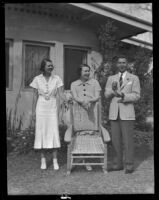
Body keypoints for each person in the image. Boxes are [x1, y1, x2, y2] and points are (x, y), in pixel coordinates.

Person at [105, 56, 140, 174]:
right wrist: (113, 91)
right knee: (115, 140)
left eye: (124, 62)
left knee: (128, 140)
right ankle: (117, 164)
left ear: (127, 64)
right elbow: (106, 94)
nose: (121, 64)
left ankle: (129, 165)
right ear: (116, 64)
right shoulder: (111, 78)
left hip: (127, 112)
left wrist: (124, 96)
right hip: (114, 113)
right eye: (119, 62)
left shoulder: (134, 78)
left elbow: (136, 95)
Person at [30, 58, 66, 170]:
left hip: (52, 107)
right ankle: (43, 160)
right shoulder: (37, 79)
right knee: (41, 131)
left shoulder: (57, 79)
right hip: (41, 107)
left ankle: (55, 160)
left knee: (53, 131)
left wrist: (67, 100)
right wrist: (33, 112)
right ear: (43, 67)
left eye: (51, 65)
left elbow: (61, 94)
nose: (51, 67)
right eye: (48, 65)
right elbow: (34, 97)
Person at [71, 64, 101, 171]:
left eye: (88, 71)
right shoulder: (74, 84)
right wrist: (83, 102)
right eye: (85, 71)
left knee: (90, 135)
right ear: (80, 72)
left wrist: (89, 101)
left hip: (92, 111)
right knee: (80, 134)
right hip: (79, 112)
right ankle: (85, 160)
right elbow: (75, 96)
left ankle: (87, 159)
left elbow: (97, 96)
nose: (87, 73)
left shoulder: (95, 82)